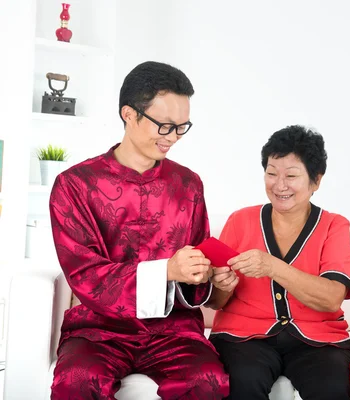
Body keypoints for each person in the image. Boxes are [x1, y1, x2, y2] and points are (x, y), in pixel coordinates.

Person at [49, 61, 229, 399]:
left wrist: (206, 275)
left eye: (182, 127)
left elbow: (197, 262)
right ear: (129, 114)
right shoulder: (74, 185)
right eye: (164, 126)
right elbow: (86, 274)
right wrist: (169, 270)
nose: (173, 137)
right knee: (76, 380)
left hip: (173, 331)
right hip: (97, 329)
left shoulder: (188, 184)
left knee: (208, 380)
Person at [208, 125, 350, 400]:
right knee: (242, 383)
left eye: (291, 176)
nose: (279, 185)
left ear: (316, 181)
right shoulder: (240, 220)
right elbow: (216, 302)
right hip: (244, 338)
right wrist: (222, 285)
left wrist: (272, 266)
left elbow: (332, 298)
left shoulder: (334, 225)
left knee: (331, 390)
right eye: (271, 173)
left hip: (319, 340)